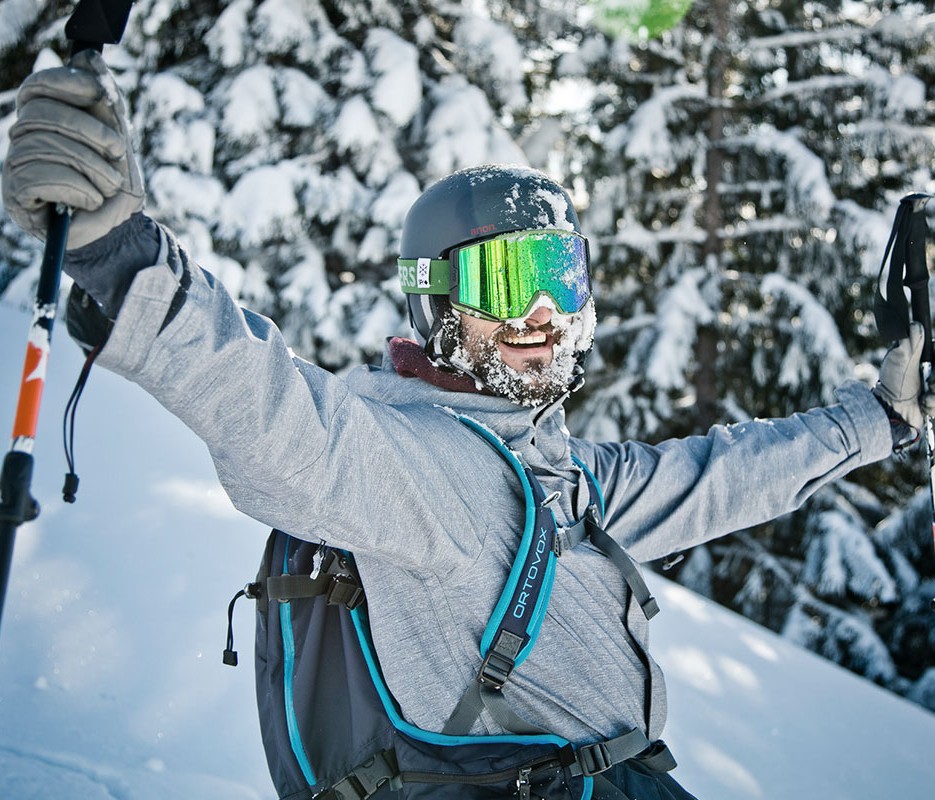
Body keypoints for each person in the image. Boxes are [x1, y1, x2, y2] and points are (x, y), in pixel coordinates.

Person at [3, 51, 933, 800]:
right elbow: (269, 406)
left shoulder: (560, 474)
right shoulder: (406, 464)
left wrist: (880, 419)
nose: (539, 314)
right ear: (436, 303)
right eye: (501, 284)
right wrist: (120, 255)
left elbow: (717, 475)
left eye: (558, 280)